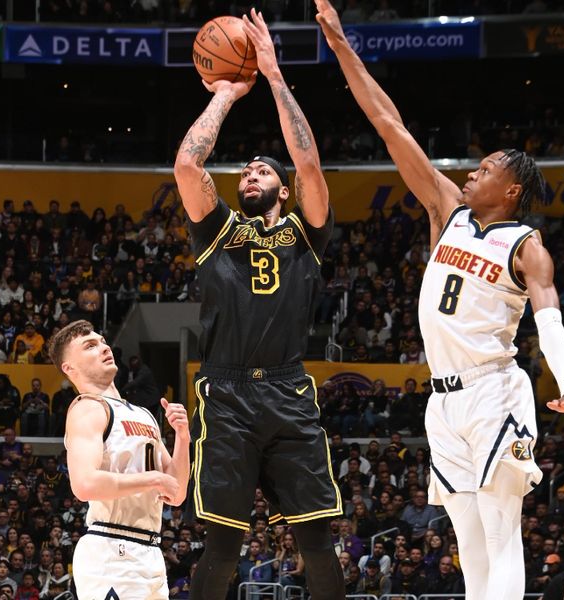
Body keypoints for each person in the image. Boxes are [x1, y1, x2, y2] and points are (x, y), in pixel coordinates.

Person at [313, 3, 564, 599]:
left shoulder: (526, 246)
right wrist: (342, 47)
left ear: (511, 189)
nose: (473, 171)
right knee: (467, 537)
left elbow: (549, 318)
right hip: (442, 401)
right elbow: (390, 124)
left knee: (501, 532)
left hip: (494, 390)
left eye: (487, 169)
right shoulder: (447, 211)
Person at [173, 8, 343, 600]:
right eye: (245, 168)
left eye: (263, 168)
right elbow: (189, 164)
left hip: (289, 390)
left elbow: (311, 162)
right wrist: (224, 92)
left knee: (318, 539)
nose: (251, 170)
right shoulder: (215, 229)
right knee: (221, 543)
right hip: (226, 391)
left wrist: (272, 75)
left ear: (284, 189)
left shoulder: (306, 231)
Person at [47, 320, 190, 599]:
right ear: (69, 368)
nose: (103, 347)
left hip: (149, 550)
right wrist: (151, 479)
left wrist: (183, 438)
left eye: (101, 341)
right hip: (111, 549)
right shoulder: (88, 408)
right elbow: (85, 484)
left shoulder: (143, 414)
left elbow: (176, 492)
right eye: (90, 346)